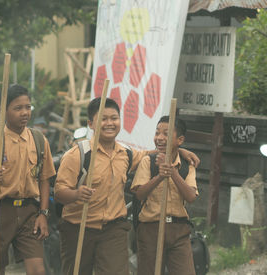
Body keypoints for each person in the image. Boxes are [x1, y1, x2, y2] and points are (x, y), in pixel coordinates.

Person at [54, 98, 199, 275]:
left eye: (114, 118)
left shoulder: (126, 153)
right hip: (78, 228)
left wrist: (179, 150)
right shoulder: (77, 154)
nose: (109, 123)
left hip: (114, 230)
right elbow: (59, 192)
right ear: (91, 123)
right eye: (103, 119)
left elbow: (152, 152)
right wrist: (77, 194)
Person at [0, 84, 56, 275]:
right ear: (4, 111)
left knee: (38, 269)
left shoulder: (39, 140)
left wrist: (43, 213)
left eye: (28, 107)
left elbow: (45, 179)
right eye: (18, 108)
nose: (24, 112)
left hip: (29, 213)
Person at [131, 116, 198, 275]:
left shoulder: (187, 166)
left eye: (166, 134)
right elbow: (139, 194)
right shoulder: (148, 161)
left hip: (179, 230)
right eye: (157, 133)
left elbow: (191, 197)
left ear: (180, 140)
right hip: (150, 229)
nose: (159, 138)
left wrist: (172, 172)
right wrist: (160, 176)